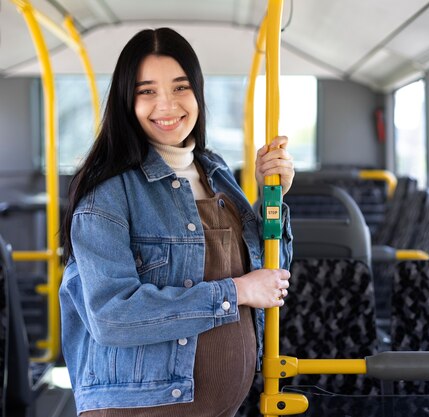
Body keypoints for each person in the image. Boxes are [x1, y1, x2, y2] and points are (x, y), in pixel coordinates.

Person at [59, 27, 295, 416]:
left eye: (180, 88)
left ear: (197, 94)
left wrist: (274, 197)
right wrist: (234, 293)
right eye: (147, 91)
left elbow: (271, 278)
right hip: (142, 407)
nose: (167, 105)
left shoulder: (215, 171)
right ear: (126, 102)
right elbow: (112, 316)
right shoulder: (108, 193)